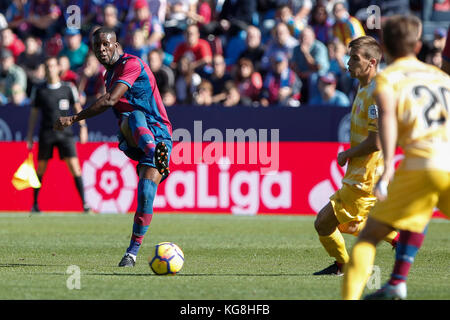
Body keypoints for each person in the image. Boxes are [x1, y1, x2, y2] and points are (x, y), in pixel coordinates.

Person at [342, 15, 450, 300]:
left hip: (422, 165)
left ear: (385, 48)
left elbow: (386, 123)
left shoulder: (387, 79)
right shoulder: (441, 77)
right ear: (417, 45)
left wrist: (388, 168)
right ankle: (397, 283)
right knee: (417, 219)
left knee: (367, 238)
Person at [54, 27, 173, 268]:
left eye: (106, 44)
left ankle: (132, 253)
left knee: (146, 194)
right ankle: (154, 155)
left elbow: (109, 100)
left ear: (116, 44)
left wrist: (74, 118)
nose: (102, 49)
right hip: (137, 137)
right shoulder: (107, 77)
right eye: (97, 46)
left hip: (158, 134)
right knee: (132, 118)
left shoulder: (132, 63)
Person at [313, 36, 399, 276]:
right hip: (361, 174)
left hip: (364, 178)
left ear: (371, 62)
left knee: (323, 223)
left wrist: (346, 154)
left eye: (354, 58)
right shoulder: (363, 86)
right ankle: (397, 237)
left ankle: (344, 266)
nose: (348, 63)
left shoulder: (377, 92)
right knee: (347, 223)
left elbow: (377, 141)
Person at [26, 56, 89, 213]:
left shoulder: (68, 88)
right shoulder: (39, 90)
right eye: (47, 66)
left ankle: (85, 205)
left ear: (58, 68)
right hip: (46, 133)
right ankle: (34, 204)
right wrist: (29, 136)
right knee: (40, 169)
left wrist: (83, 127)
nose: (50, 69)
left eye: (53, 66)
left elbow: (77, 108)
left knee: (75, 168)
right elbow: (33, 114)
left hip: (65, 134)